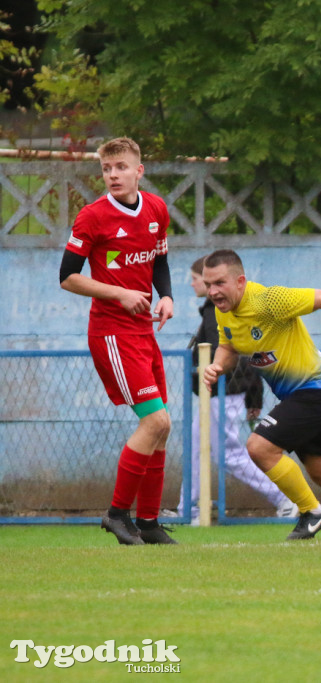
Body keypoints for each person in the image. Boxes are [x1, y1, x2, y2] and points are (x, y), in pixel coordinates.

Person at [201, 249, 321, 540]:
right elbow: (228, 346)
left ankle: (312, 512)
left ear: (241, 281)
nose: (212, 291)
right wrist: (217, 366)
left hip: (316, 390)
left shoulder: (269, 300)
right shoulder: (224, 313)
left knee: (259, 447)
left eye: (219, 283)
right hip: (302, 396)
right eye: (208, 285)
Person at [59, 136, 177, 545]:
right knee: (155, 421)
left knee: (163, 428)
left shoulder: (157, 209)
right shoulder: (92, 217)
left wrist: (166, 296)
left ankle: (149, 522)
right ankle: (115, 514)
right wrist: (121, 294)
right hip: (112, 333)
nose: (113, 175)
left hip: (144, 331)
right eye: (107, 169)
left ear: (138, 170)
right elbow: (68, 276)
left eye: (121, 167)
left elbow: (159, 259)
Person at [168, 256, 298, 522]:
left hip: (224, 393)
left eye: (199, 281)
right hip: (213, 394)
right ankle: (187, 510)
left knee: (229, 454)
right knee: (196, 449)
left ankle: (286, 497)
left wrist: (253, 395)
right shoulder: (211, 310)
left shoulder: (221, 312)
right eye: (201, 280)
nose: (196, 285)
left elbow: (239, 352)